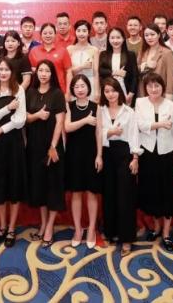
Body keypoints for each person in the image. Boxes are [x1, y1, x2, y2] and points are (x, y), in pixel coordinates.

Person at [135, 73, 173, 252]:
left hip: (167, 152)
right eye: (150, 86)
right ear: (145, 88)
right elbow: (140, 125)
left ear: (162, 87)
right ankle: (156, 228)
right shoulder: (140, 103)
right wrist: (160, 124)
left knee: (168, 193)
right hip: (147, 153)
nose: (153, 89)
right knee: (152, 192)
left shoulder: (171, 105)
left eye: (157, 86)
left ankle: (167, 233)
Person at [0, 58, 28, 248]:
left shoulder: (19, 90)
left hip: (13, 141)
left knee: (14, 184)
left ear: (12, 72)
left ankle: (11, 228)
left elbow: (20, 120)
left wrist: (1, 130)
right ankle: (2, 226)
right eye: (0, 69)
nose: (3, 73)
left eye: (6, 70)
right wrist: (7, 108)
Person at [24, 60, 67, 247]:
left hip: (52, 146)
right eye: (40, 70)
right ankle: (43, 224)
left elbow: (60, 122)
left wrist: (53, 146)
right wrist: (37, 116)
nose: (43, 74)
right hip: (34, 146)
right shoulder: (30, 92)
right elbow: (24, 118)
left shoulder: (57, 94)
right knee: (39, 187)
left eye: (47, 71)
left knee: (53, 187)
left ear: (52, 74)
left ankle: (49, 227)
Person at [98, 78, 140, 256]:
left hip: (125, 154)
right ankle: (110, 232)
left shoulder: (129, 111)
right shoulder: (100, 110)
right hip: (107, 153)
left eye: (114, 90)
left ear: (119, 92)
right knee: (109, 194)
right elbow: (98, 133)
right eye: (107, 91)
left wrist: (135, 158)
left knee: (125, 196)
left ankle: (127, 238)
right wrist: (110, 132)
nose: (111, 94)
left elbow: (134, 135)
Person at [64, 74, 102, 249]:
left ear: (88, 87)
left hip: (91, 154)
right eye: (76, 86)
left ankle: (92, 229)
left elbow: (99, 133)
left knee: (92, 193)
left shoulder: (96, 106)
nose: (80, 89)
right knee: (76, 193)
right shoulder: (69, 106)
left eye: (83, 86)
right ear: (72, 89)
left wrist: (99, 155)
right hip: (74, 155)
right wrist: (86, 120)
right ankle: (78, 230)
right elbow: (67, 127)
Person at [98, 28, 138, 105]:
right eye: (112, 38)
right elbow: (101, 71)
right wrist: (115, 72)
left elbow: (135, 76)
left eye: (118, 37)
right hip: (109, 93)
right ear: (108, 39)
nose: (115, 41)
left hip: (126, 91)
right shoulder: (103, 54)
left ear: (123, 39)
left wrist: (131, 93)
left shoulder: (130, 55)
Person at [29, 23, 73, 92]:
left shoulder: (63, 51)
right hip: (39, 90)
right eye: (45, 33)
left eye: (50, 33)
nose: (48, 35)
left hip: (59, 90)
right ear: (40, 35)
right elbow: (31, 71)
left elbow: (69, 72)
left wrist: (68, 92)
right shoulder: (34, 51)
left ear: (55, 34)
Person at [137, 24, 173, 97]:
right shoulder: (142, 51)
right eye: (146, 35)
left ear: (159, 35)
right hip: (143, 91)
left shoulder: (167, 52)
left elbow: (171, 77)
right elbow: (136, 69)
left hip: (160, 91)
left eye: (152, 34)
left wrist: (169, 94)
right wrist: (145, 65)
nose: (149, 37)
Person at [67, 20, 100, 99]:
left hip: (90, 84)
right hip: (75, 85)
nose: (81, 34)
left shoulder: (94, 50)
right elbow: (69, 72)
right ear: (75, 32)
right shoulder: (69, 49)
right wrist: (82, 66)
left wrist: (97, 91)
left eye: (84, 31)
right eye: (78, 31)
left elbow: (96, 73)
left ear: (88, 33)